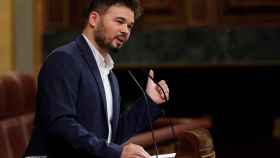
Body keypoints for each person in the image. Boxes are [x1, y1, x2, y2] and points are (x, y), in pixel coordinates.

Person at [24, 0, 170, 158]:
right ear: (94, 19)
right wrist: (117, 152)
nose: (126, 31)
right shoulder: (64, 59)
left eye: (130, 26)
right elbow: (61, 125)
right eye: (119, 21)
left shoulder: (110, 75)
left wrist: (149, 102)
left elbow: (111, 136)